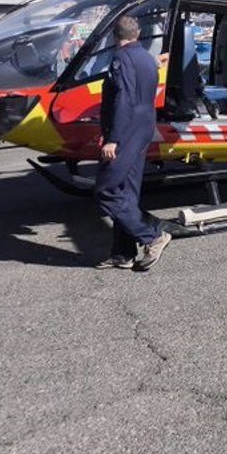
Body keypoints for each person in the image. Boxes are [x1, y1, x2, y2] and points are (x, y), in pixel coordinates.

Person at [94, 15, 171, 271]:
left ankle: (152, 235)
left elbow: (123, 100)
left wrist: (113, 138)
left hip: (125, 131)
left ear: (115, 37)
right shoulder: (148, 60)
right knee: (126, 193)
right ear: (137, 33)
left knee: (106, 190)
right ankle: (123, 253)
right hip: (142, 128)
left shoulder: (122, 58)